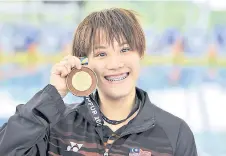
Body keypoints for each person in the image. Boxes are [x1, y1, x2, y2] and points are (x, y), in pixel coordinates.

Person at [0, 8, 198, 156]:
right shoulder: (56, 126)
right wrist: (52, 95)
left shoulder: (175, 133)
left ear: (140, 54)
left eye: (125, 49)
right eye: (101, 53)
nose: (115, 64)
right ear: (84, 63)